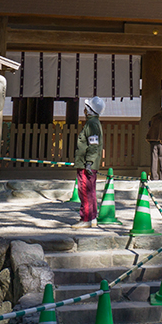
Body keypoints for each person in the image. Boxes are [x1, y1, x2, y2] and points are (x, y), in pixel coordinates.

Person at [72, 96, 104, 228]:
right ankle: (92, 217)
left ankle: (85, 218)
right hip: (90, 163)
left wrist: (89, 162)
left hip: (86, 164)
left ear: (90, 109)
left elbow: (93, 144)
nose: (84, 109)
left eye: (86, 107)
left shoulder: (91, 124)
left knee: (84, 190)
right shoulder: (95, 123)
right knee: (90, 191)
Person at [146, 107, 162, 181]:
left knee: (153, 159)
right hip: (161, 141)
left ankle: (154, 176)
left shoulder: (154, 118)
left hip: (153, 140)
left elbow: (149, 126)